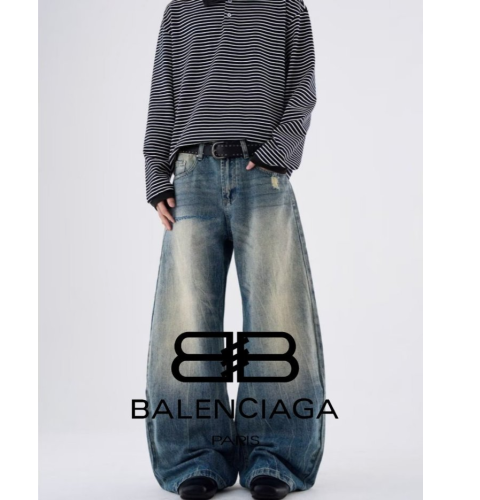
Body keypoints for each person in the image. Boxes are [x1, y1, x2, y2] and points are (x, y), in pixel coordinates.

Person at [143, 1, 325, 499]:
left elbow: (302, 87)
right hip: (191, 177)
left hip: (261, 176)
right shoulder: (180, 10)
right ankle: (195, 457)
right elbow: (163, 95)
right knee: (185, 320)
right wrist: (157, 174)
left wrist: (276, 155)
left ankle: (276, 454)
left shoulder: (285, 6)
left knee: (276, 315)